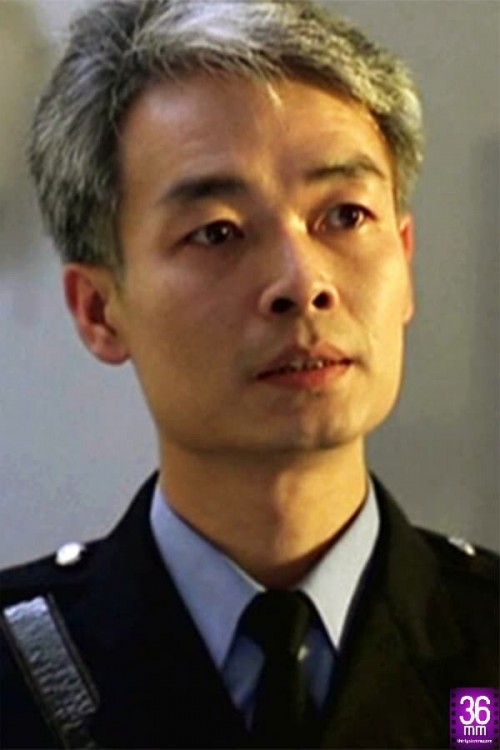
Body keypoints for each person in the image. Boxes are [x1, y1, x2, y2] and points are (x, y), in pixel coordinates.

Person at [1, 1, 498, 748]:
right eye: (217, 232)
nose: (302, 282)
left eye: (344, 216)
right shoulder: (21, 668)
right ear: (100, 310)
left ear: (404, 260)